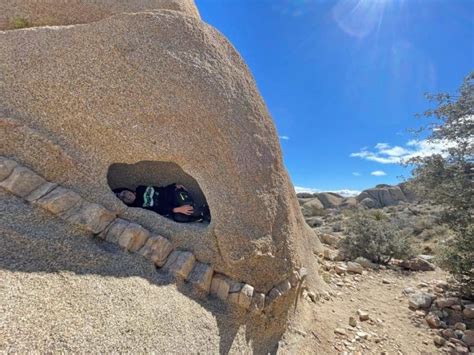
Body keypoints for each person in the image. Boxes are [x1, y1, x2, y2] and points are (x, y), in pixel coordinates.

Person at [113, 183, 210, 223]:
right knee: (179, 218)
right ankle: (202, 216)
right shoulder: (139, 207)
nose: (126, 196)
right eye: (123, 198)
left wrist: (174, 185)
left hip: (174, 195)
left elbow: (160, 190)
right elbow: (157, 210)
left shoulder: (141, 188)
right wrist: (176, 209)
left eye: (124, 193)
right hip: (172, 208)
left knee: (189, 206)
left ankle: (203, 211)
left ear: (127, 190)